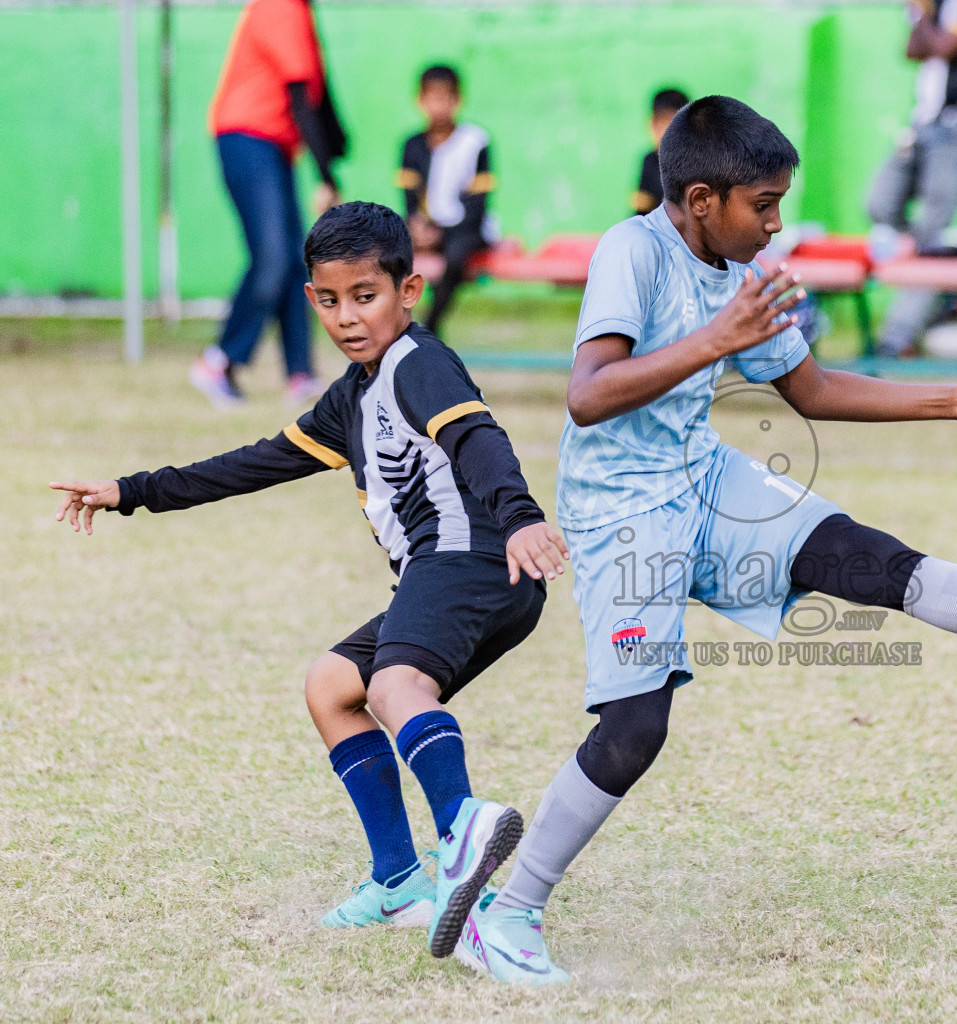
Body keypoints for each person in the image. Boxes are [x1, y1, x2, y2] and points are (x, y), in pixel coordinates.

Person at [445, 95, 957, 986]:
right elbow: (589, 394)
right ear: (701, 199)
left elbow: (812, 391)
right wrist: (717, 338)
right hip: (622, 512)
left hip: (703, 477)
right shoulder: (634, 250)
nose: (776, 223)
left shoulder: (743, 274)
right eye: (764, 204)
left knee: (871, 560)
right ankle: (507, 914)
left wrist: (952, 399)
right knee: (635, 728)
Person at [50, 202, 570, 965]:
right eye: (329, 300)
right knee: (332, 686)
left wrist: (521, 516)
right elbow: (253, 464)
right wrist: (132, 491)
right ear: (310, 299)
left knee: (394, 685)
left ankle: (462, 832)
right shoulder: (352, 397)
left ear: (409, 291)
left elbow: (476, 438)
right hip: (453, 573)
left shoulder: (419, 364)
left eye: (365, 295)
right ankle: (398, 880)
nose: (347, 317)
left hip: (475, 559)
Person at [193, 0, 346, 408]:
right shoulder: (280, 6)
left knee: (295, 258)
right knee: (273, 257)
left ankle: (299, 374)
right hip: (247, 140)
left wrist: (336, 144)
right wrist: (326, 175)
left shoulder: (303, 12)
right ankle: (218, 360)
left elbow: (317, 93)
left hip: (273, 146)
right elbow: (300, 96)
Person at [867, 0, 957, 357]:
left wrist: (923, 16)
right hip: (923, 122)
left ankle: (897, 337)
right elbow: (913, 50)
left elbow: (946, 47)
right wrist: (924, 15)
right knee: (879, 203)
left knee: (932, 229)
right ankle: (947, 289)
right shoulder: (936, 6)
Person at [399, 65, 496, 338]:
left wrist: (439, 234)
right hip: (426, 228)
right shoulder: (411, 145)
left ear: (458, 100)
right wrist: (418, 227)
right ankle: (392, 323)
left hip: (465, 229)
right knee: (388, 246)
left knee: (456, 255)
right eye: (432, 98)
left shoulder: (476, 142)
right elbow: (409, 200)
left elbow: (478, 207)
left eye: (445, 98)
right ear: (420, 100)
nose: (439, 106)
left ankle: (429, 326)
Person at [632, 88, 689, 216]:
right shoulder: (650, 161)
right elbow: (640, 214)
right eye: (657, 122)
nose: (660, 130)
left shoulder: (700, 163)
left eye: (667, 123)